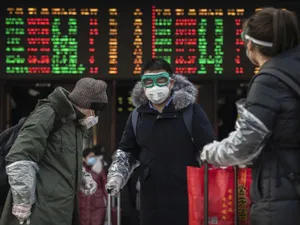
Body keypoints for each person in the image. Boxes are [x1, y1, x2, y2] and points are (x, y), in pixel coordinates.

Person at [200, 7, 300, 225]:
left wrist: (210, 153)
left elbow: (245, 145)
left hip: (282, 197)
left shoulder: (269, 81)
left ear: (251, 44)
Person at [106, 58, 216, 225]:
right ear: (143, 85)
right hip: (150, 204)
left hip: (187, 201)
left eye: (161, 80)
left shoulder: (190, 112)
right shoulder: (138, 116)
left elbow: (210, 152)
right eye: (149, 81)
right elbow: (127, 152)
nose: (155, 86)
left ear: (171, 83)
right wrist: (116, 177)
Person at [0, 77, 108, 225]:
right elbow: (21, 155)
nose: (95, 116)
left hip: (62, 210)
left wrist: (82, 177)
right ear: (87, 105)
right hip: (41, 210)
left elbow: (62, 159)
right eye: (96, 111)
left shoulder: (75, 124)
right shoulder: (48, 113)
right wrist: (23, 201)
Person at [79, 147, 107, 225]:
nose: (93, 159)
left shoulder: (98, 168)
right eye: (90, 157)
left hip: (97, 205)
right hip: (83, 206)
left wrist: (108, 200)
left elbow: (105, 185)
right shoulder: (79, 169)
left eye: (94, 157)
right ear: (84, 158)